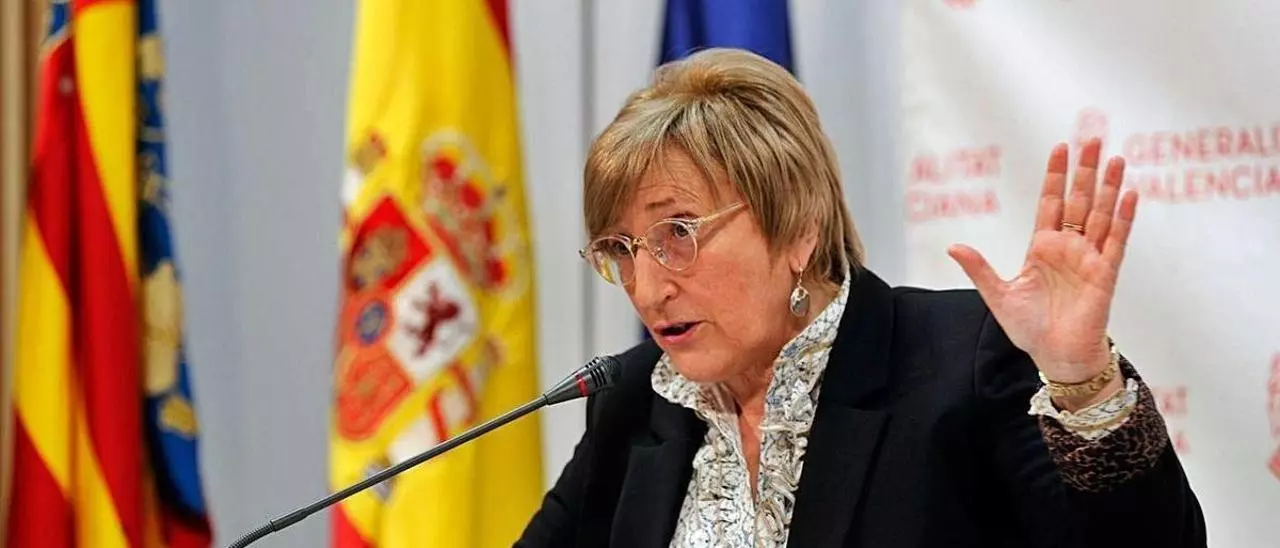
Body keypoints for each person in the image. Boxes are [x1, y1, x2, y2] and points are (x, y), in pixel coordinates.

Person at [515, 48, 1205, 547]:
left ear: (798, 228)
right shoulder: (635, 399)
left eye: (677, 233)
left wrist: (1083, 380)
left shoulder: (960, 361)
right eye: (621, 249)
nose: (646, 286)